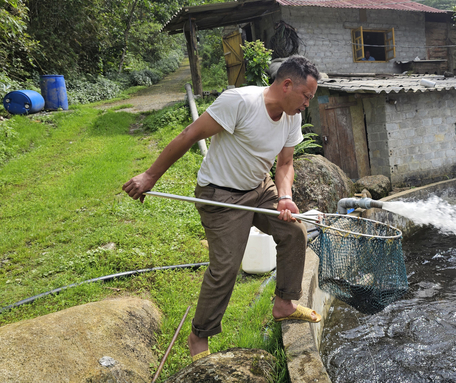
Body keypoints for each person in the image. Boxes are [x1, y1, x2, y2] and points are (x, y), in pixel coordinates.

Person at [122, 55, 321, 362]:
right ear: (286, 85)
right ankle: (199, 336)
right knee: (226, 266)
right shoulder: (240, 102)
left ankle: (284, 304)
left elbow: (285, 163)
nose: (308, 103)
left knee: (294, 231)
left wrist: (284, 196)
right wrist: (150, 176)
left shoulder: (292, 116)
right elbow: (189, 135)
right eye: (306, 96)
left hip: (258, 188)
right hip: (221, 195)